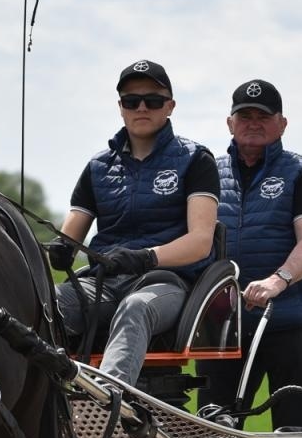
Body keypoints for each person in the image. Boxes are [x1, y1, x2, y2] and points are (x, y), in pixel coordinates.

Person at [49, 60, 220, 385]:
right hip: (102, 281)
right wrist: (58, 251)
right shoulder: (98, 167)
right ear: (121, 107)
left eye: (153, 101)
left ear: (170, 106)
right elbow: (68, 238)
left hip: (166, 282)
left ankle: (108, 402)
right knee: (46, 304)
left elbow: (201, 242)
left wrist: (145, 257)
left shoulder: (196, 160)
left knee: (136, 308)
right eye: (131, 101)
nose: (142, 107)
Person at [197, 79, 302, 428]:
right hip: (223, 323)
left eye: (263, 116)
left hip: (288, 319)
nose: (253, 123)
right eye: (244, 115)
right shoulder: (208, 173)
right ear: (229, 123)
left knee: (295, 428)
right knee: (212, 429)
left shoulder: (301, 172)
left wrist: (277, 281)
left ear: (282, 123)